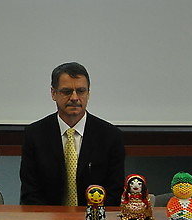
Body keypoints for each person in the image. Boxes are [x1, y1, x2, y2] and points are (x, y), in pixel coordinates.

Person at [19, 62, 126, 206]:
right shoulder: (35, 135)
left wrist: (90, 217)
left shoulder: (110, 136)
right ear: (53, 93)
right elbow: (30, 193)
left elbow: (115, 194)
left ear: (88, 93)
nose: (74, 98)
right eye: (67, 91)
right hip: (47, 218)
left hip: (96, 218)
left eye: (81, 91)